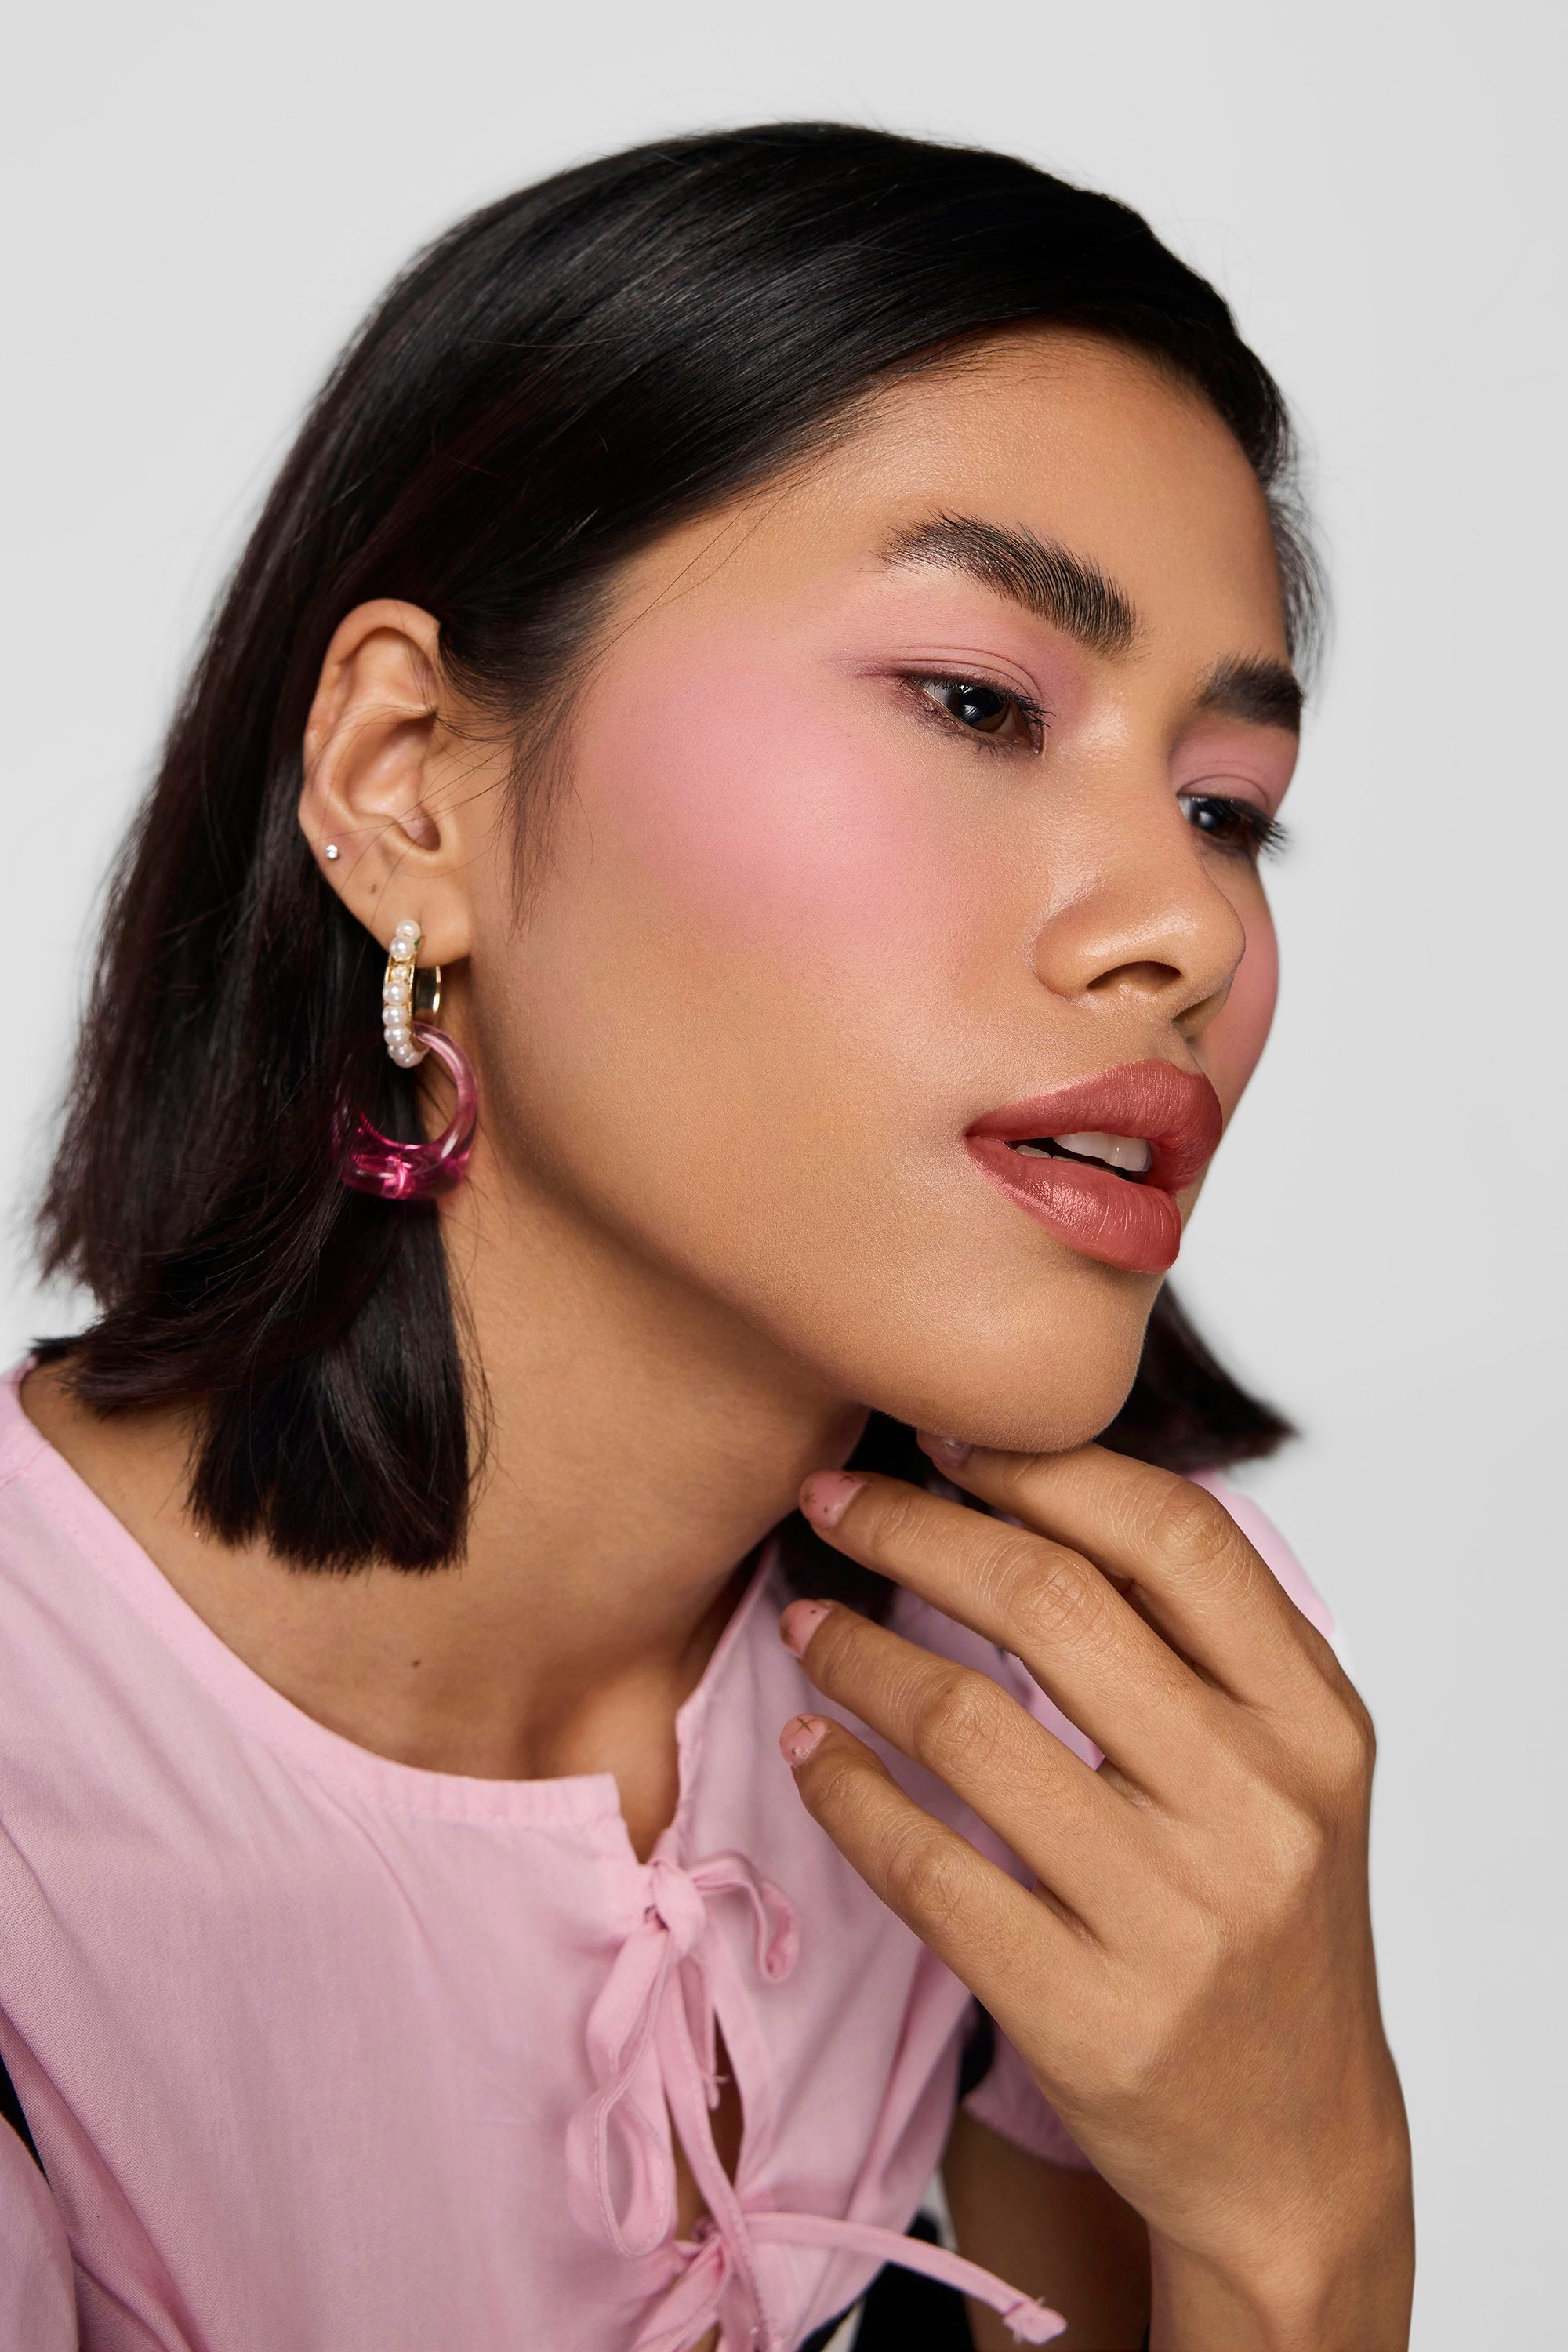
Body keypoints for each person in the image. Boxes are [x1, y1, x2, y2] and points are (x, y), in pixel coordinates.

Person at [0, 123, 1414, 2351]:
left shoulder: (1072, 1714)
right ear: (406, 782)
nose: (1188, 926)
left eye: (1227, 806)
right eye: (979, 703)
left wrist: (1302, 2222)